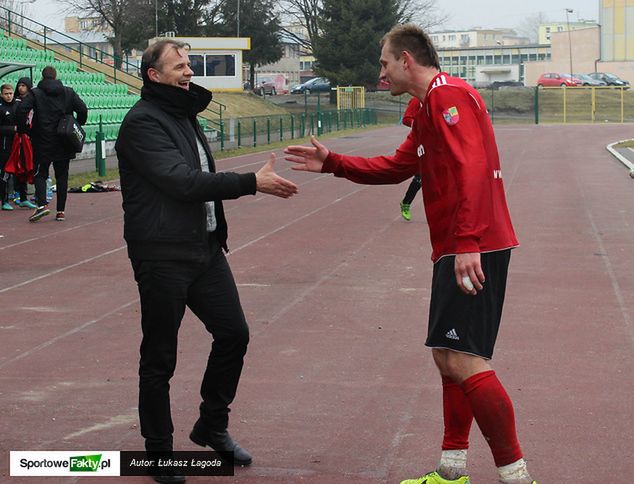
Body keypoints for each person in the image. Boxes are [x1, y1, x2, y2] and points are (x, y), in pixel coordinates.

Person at [285, 24, 535, 484]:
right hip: (463, 243)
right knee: (447, 354)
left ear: (406, 60)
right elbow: (399, 166)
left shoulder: (447, 94)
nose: (380, 73)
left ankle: (516, 476)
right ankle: (452, 469)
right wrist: (335, 163)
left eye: (384, 63)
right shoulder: (427, 106)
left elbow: (473, 168)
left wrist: (466, 242)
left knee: (465, 359)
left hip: (475, 243)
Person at [115, 39, 298, 483]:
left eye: (189, 65)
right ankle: (159, 451)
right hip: (162, 256)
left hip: (205, 249)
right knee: (160, 356)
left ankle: (211, 426)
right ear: (153, 75)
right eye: (178, 66)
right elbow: (181, 182)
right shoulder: (141, 123)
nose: (188, 72)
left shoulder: (184, 114)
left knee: (234, 334)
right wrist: (250, 182)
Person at [16, 66, 87, 222]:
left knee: (40, 173)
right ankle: (60, 211)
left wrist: (25, 130)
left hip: (42, 140)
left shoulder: (35, 93)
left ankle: (42, 205)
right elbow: (82, 109)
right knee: (62, 176)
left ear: (42, 77)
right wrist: (76, 125)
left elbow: (21, 109)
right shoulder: (68, 91)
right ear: (55, 76)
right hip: (64, 140)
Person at [0, 84, 36, 211]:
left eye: (10, 93)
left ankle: (23, 199)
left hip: (20, 142)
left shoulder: (19, 104)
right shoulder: (1, 107)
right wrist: (12, 129)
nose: (9, 96)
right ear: (1, 94)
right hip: (6, 144)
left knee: (22, 170)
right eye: (6, 94)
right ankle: (4, 201)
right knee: (6, 172)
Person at [399, 97, 423, 221]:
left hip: (439, 144)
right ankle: (406, 203)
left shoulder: (442, 99)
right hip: (421, 143)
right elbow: (406, 119)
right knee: (420, 178)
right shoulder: (417, 99)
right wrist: (422, 126)